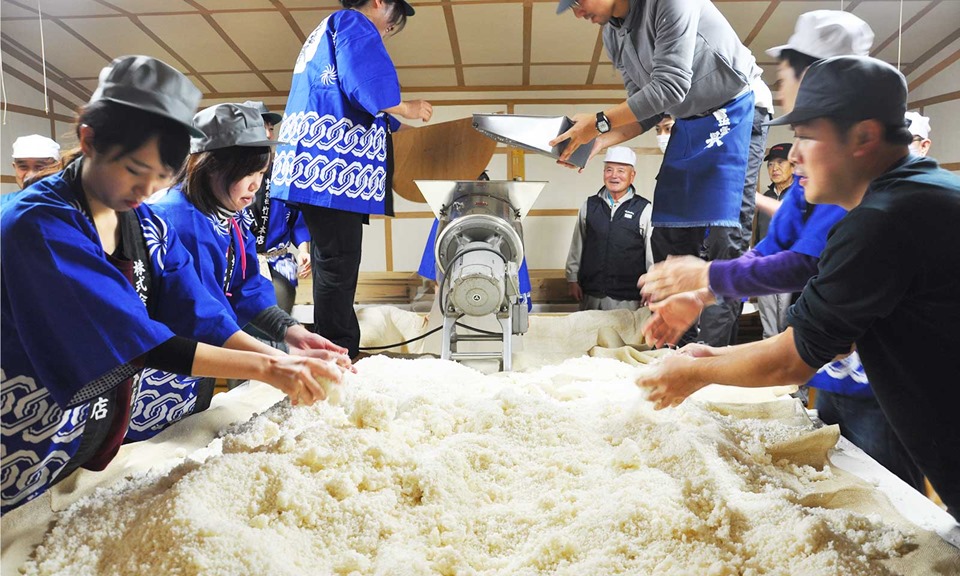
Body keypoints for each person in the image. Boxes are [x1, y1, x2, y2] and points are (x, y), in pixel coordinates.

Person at [0, 56, 346, 512]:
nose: (146, 191)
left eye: (161, 177)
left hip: (89, 419)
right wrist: (270, 368)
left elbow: (195, 306)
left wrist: (281, 351)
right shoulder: (40, 224)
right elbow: (132, 339)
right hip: (26, 413)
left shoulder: (142, 221)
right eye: (134, 170)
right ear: (88, 138)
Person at [636, 56, 960, 518]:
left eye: (808, 135)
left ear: (864, 137)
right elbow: (826, 332)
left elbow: (792, 358)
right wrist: (707, 354)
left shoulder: (883, 220)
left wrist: (692, 373)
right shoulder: (916, 192)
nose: (792, 155)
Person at [552, 0, 774, 348]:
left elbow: (669, 88)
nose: (577, 12)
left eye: (579, 2)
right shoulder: (612, 34)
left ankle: (710, 359)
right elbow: (647, 109)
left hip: (736, 108)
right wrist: (597, 141)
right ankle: (677, 349)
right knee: (668, 237)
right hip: (688, 123)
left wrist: (597, 121)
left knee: (722, 242)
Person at [139, 103, 349, 442]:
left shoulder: (230, 217)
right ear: (211, 168)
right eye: (248, 174)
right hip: (162, 365)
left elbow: (246, 288)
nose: (255, 185)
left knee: (186, 439)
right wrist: (278, 360)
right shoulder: (177, 219)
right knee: (148, 453)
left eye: (261, 175)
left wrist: (293, 334)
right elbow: (199, 314)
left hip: (207, 357)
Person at [271, 0, 433, 358]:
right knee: (337, 267)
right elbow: (366, 84)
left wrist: (399, 126)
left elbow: (347, 95)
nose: (387, 33)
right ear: (378, 2)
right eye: (390, 25)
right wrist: (407, 107)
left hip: (316, 167)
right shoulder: (351, 22)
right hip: (332, 167)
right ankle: (339, 351)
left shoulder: (326, 32)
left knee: (334, 264)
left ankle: (340, 347)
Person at [757, 10, 874, 221]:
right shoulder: (807, 178)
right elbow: (776, 242)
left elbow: (804, 253)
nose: (794, 157)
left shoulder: (842, 173)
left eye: (784, 80)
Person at [242, 100, 311, 314]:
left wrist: (303, 250)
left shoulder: (284, 171)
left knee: (280, 324)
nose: (270, 134)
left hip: (278, 261)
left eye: (271, 128)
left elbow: (297, 218)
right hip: (241, 264)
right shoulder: (228, 176)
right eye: (263, 127)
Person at [565, 146, 653, 310]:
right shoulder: (589, 206)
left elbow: (651, 254)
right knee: (589, 335)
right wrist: (572, 279)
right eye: (609, 170)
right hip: (591, 293)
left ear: (631, 176)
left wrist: (652, 285)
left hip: (628, 297)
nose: (614, 176)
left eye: (621, 171)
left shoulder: (644, 209)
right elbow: (577, 245)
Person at [754, 143, 796, 339]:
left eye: (781, 163)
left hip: (793, 266)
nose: (774, 168)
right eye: (770, 165)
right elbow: (758, 233)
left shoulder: (802, 195)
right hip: (765, 266)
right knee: (769, 325)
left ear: (793, 166)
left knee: (790, 322)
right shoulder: (766, 197)